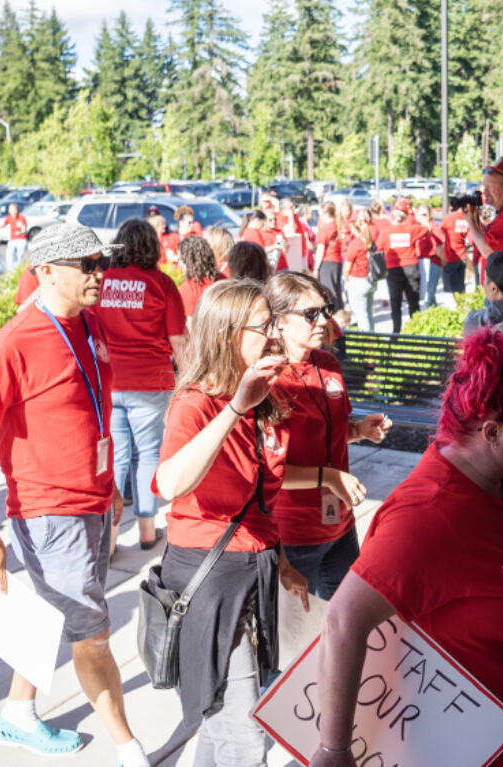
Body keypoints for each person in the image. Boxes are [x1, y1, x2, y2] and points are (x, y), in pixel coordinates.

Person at [309, 327, 503, 767]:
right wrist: (334, 750)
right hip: (445, 746)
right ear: (492, 432)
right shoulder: (428, 515)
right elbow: (344, 620)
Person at [152, 278, 364, 766]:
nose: (273, 334)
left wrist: (283, 562)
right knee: (245, 735)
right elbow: (169, 483)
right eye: (264, 324)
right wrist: (235, 407)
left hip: (258, 568)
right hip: (212, 578)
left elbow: (262, 497)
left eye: (273, 322)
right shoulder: (199, 401)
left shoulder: (266, 397)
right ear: (228, 334)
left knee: (225, 722)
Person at [0, 223, 149, 766]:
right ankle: (129, 748)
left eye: (101, 264)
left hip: (91, 500)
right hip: (48, 512)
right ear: (46, 272)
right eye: (86, 266)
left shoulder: (90, 323)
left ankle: (17, 715)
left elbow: (91, 411)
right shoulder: (14, 343)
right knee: (92, 636)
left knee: (53, 616)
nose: (99, 275)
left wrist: (109, 487)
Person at [265, 272, 388, 600]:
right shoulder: (268, 381)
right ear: (278, 324)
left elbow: (328, 433)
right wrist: (330, 477)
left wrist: (359, 431)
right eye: (310, 314)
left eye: (325, 310)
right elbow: (269, 472)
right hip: (292, 535)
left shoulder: (328, 363)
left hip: (340, 525)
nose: (322, 321)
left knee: (342, 622)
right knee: (299, 638)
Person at [90, 219, 186, 552]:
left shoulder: (103, 282)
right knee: (148, 456)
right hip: (151, 381)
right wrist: (189, 381)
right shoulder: (162, 284)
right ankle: (147, 531)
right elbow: (178, 341)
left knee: (115, 457)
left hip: (110, 381)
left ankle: (111, 540)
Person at [372, 199, 427, 333]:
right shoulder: (412, 229)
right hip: (412, 267)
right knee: (413, 303)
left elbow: (379, 247)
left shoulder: (386, 232)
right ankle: (416, 332)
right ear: (406, 215)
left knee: (395, 304)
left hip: (393, 269)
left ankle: (396, 332)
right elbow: (427, 229)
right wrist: (414, 215)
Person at [341, 216, 374, 331]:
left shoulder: (355, 243)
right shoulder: (369, 241)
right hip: (370, 280)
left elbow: (347, 265)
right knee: (369, 313)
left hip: (358, 280)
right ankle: (373, 339)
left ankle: (366, 343)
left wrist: (345, 279)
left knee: (361, 315)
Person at [177, 235, 220, 322]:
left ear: (190, 261)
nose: (179, 264)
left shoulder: (189, 287)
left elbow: (190, 324)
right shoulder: (222, 279)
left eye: (181, 259)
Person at [313, 200, 345, 311]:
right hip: (337, 261)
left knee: (329, 292)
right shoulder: (336, 225)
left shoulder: (325, 229)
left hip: (327, 262)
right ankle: (340, 314)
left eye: (320, 214)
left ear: (326, 214)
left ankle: (334, 316)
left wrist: (316, 269)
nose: (320, 217)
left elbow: (320, 250)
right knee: (336, 290)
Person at [413, 204, 445, 311]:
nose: (424, 217)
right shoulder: (417, 227)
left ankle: (430, 315)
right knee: (428, 294)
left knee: (428, 294)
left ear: (430, 215)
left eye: (425, 215)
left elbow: (440, 249)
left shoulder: (433, 228)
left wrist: (445, 263)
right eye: (421, 215)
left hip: (431, 262)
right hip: (420, 262)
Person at [439, 202, 471, 297]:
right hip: (463, 255)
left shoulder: (449, 218)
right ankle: (463, 306)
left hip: (451, 256)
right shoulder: (467, 219)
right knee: (461, 285)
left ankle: (460, 308)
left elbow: (440, 232)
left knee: (454, 288)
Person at [3, 203, 29, 271]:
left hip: (21, 239)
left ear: (17, 210)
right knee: (9, 255)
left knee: (20, 256)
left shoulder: (21, 218)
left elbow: (24, 230)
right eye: (11, 210)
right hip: (13, 240)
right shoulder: (9, 218)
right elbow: (2, 225)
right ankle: (11, 271)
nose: (13, 212)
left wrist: (20, 232)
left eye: (14, 210)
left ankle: (20, 270)